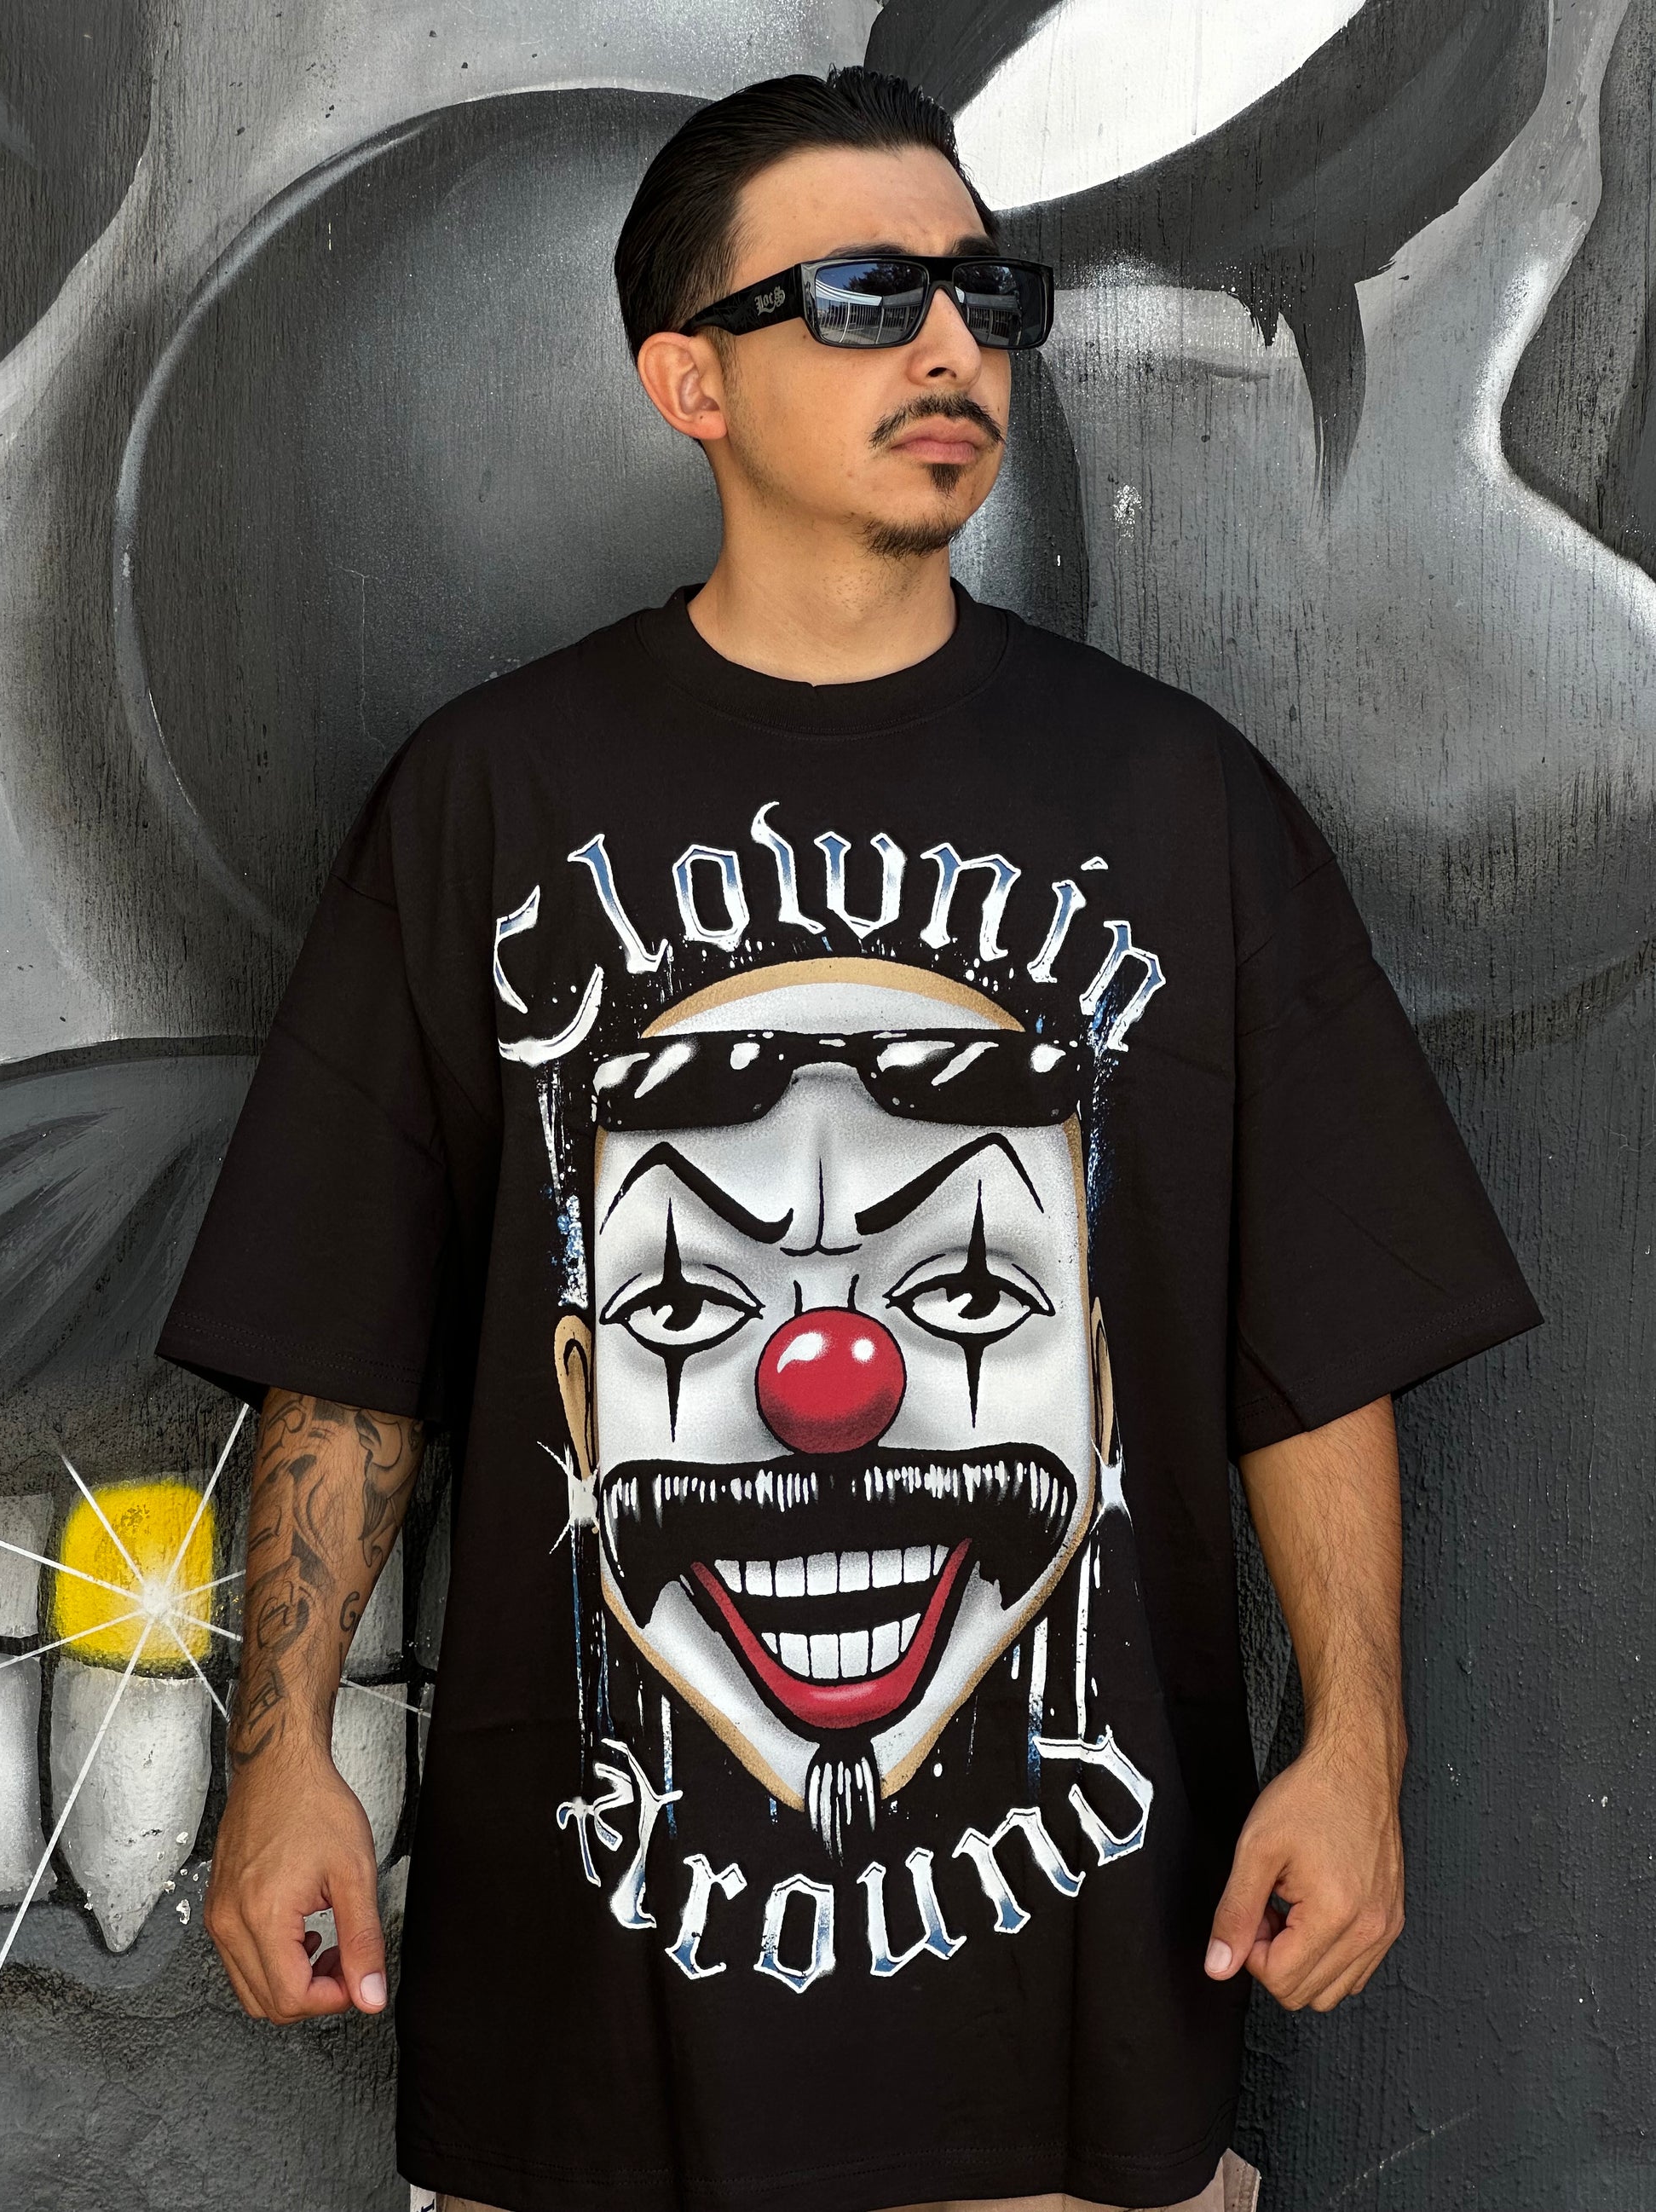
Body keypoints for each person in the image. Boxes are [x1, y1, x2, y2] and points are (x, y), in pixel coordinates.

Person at [159, 66, 1540, 2212]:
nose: (949, 347)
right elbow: (347, 1343)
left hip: (1072, 2045)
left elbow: (1313, 1335)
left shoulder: (1174, 804)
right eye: (868, 295)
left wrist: (1351, 1746)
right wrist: (282, 1758)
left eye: (985, 295)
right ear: (687, 380)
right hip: (586, 2053)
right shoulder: (490, 803)